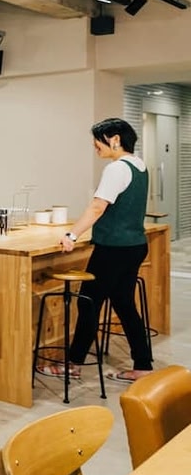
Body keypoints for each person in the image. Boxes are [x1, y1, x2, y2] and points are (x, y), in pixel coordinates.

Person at [40, 117, 152, 383]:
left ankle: (74, 364)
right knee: (124, 304)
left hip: (113, 248)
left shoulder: (116, 169)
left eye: (97, 141)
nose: (95, 146)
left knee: (88, 302)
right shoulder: (140, 165)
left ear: (115, 139)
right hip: (135, 245)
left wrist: (72, 234)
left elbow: (97, 207)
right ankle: (143, 366)